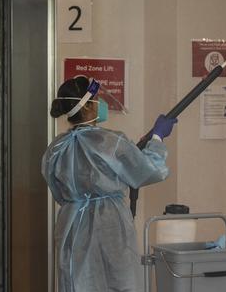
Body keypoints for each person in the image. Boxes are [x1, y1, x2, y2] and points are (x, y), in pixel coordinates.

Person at [41, 76, 176, 292]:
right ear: (88, 106)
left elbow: (57, 190)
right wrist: (158, 138)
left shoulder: (56, 148)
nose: (101, 104)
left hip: (71, 224)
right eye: (96, 99)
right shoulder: (110, 142)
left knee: (78, 282)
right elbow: (149, 170)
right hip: (110, 224)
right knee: (118, 281)